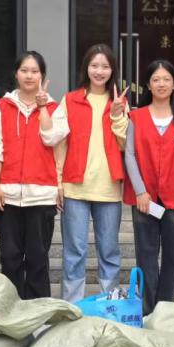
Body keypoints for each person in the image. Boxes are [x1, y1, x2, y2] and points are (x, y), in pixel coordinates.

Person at [49, 43, 129, 303]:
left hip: (108, 188)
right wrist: (58, 182)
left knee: (109, 251)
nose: (99, 71)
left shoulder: (119, 102)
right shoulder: (70, 100)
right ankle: (72, 306)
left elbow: (125, 144)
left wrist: (117, 115)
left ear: (112, 70)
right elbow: (59, 144)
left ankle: (110, 304)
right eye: (94, 65)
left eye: (105, 66)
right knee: (74, 252)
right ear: (86, 68)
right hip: (75, 187)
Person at [124, 59, 174, 313]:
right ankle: (147, 310)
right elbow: (129, 155)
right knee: (145, 255)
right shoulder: (135, 117)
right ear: (148, 84)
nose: (161, 84)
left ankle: (170, 310)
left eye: (166, 79)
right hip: (145, 198)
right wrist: (140, 191)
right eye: (156, 79)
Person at [0, 51, 61, 299]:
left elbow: (53, 141)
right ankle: (11, 308)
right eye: (24, 70)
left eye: (35, 71)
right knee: (10, 257)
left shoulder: (55, 108)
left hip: (42, 195)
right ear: (16, 74)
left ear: (42, 76)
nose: (29, 76)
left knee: (38, 258)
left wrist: (43, 108)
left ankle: (39, 311)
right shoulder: (1, 107)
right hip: (7, 194)